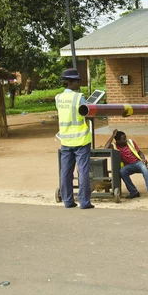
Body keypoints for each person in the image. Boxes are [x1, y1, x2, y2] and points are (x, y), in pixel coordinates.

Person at [55, 68, 94, 209]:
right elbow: (88, 113)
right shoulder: (79, 97)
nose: (79, 83)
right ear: (70, 82)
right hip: (81, 140)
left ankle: (68, 201)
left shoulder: (58, 98)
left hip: (65, 140)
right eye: (77, 81)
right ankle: (84, 202)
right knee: (82, 171)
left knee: (65, 172)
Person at [105, 129, 148, 201]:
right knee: (122, 171)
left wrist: (143, 159)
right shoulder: (114, 146)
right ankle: (134, 192)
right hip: (128, 166)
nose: (125, 140)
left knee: (145, 169)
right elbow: (105, 147)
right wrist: (112, 136)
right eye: (123, 139)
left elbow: (140, 152)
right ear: (118, 141)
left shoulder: (130, 142)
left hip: (138, 162)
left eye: (125, 138)